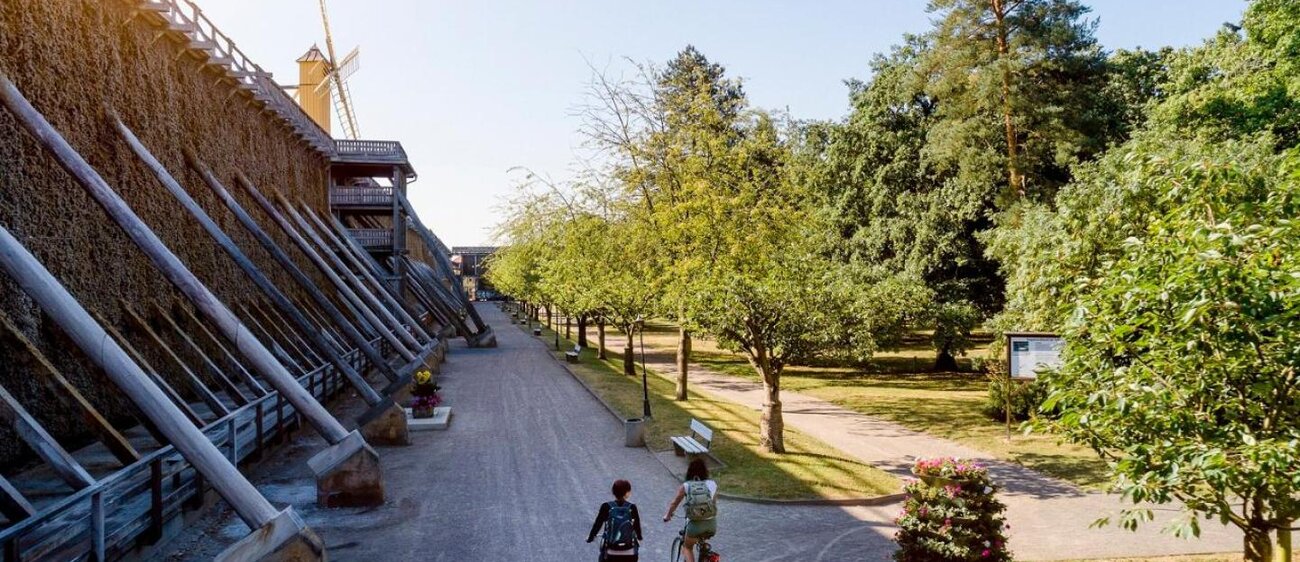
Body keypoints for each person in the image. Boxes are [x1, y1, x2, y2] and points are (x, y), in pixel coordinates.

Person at [663, 459, 717, 562]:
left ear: (689, 472)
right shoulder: (712, 484)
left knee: (687, 547)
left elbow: (674, 503)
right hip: (712, 525)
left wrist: (668, 516)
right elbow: (714, 505)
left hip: (695, 526)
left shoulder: (686, 486)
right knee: (702, 541)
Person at [587, 479, 643, 561]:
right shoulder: (632, 507)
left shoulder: (606, 506)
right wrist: (639, 537)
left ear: (613, 492)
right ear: (627, 493)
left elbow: (597, 524)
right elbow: (637, 526)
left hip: (611, 551)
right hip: (629, 552)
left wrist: (591, 537)